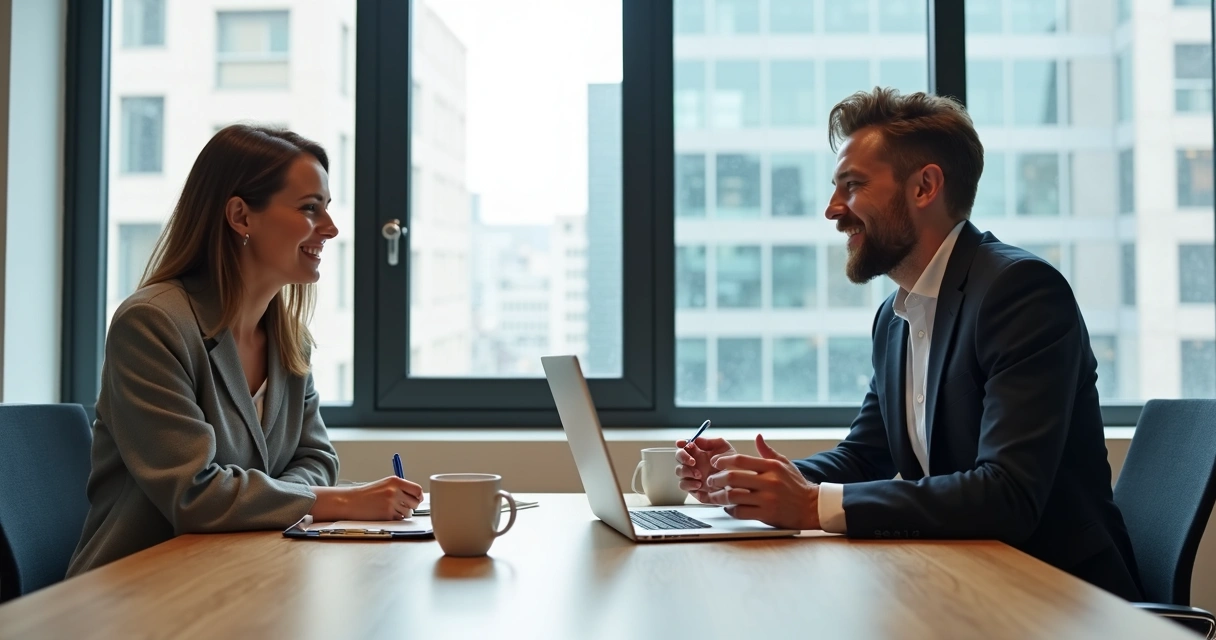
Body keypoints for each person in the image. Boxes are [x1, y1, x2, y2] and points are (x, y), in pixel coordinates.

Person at [675, 88, 1143, 600]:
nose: (833, 210)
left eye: (852, 186)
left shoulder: (1020, 292)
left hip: (1063, 599)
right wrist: (752, 478)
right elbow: (863, 457)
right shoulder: (895, 316)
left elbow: (1007, 494)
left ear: (925, 187)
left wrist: (811, 505)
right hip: (967, 583)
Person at [67, 126, 422, 576]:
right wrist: (341, 502)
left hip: (243, 571)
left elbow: (316, 458)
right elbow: (193, 493)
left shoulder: (290, 339)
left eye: (327, 209)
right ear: (241, 216)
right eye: (310, 209)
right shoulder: (152, 324)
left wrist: (271, 500)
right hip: (139, 588)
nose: (331, 229)